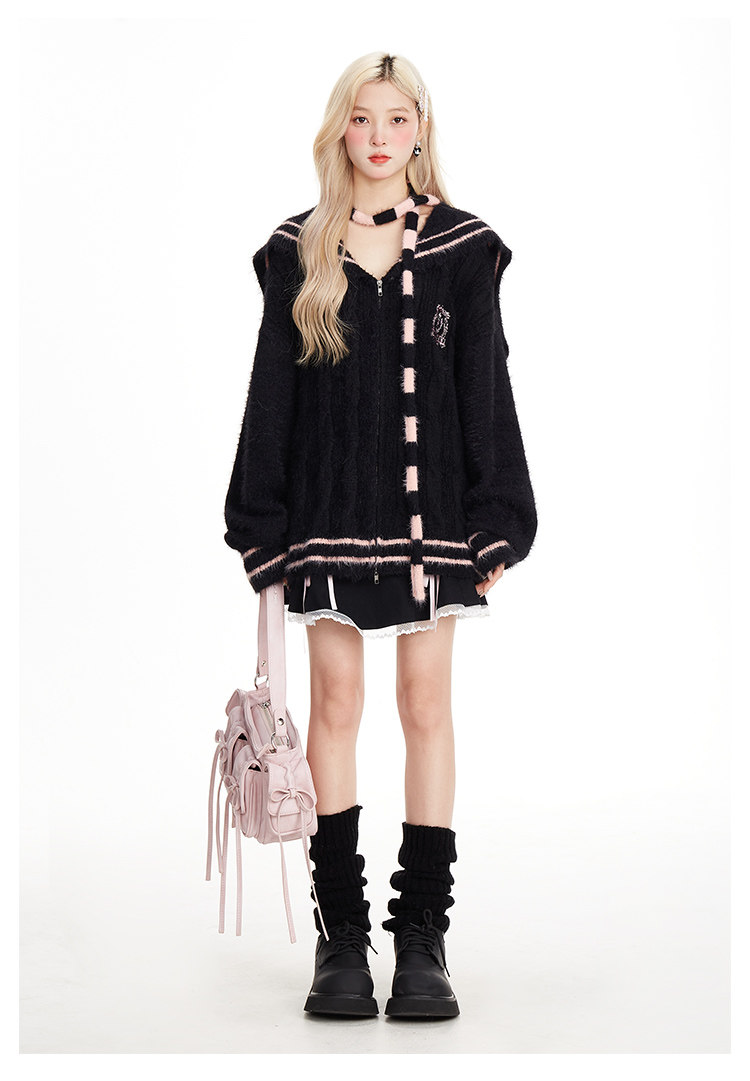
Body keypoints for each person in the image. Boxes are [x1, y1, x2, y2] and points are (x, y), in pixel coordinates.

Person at [223, 52, 537, 1019]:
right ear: (340, 129)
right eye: (362, 118)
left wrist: (497, 518)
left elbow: (484, 385)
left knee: (425, 704)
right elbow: (271, 394)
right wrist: (261, 526)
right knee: (336, 703)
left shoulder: (464, 248)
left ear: (421, 129)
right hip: (327, 517)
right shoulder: (298, 248)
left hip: (430, 521)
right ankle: (342, 937)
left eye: (398, 118)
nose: (379, 136)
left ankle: (423, 936)